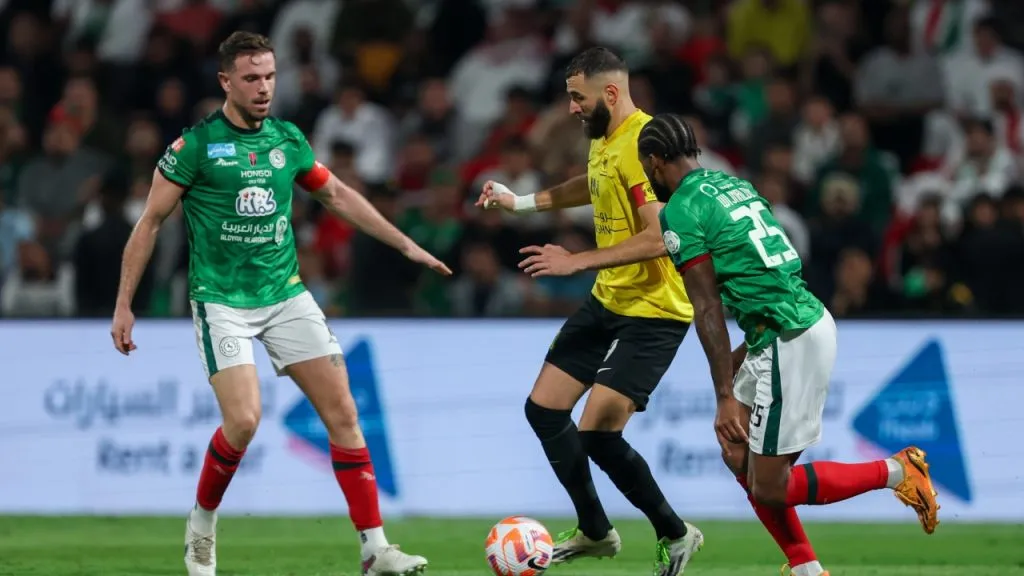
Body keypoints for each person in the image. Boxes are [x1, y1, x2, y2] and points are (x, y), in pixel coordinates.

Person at [523, 113, 941, 576]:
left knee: (771, 487)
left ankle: (899, 470)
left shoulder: (681, 210)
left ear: (656, 162)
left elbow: (706, 308)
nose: (646, 179)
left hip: (792, 338)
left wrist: (724, 393)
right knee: (736, 454)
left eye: (645, 169)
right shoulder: (730, 185)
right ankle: (806, 568)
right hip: (781, 327)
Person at [110, 31, 450, 576]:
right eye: (251, 77)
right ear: (226, 81)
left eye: (269, 75)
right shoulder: (194, 147)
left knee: (344, 413)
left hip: (286, 295)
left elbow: (336, 195)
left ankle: (375, 549)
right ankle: (201, 525)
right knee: (243, 421)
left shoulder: (288, 140)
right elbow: (149, 222)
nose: (264, 87)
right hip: (221, 300)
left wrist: (404, 242)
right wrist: (124, 304)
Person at [476, 47, 704, 576]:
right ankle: (596, 532)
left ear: (609, 93)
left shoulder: (646, 144)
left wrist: (575, 260)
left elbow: (659, 236)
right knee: (544, 410)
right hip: (609, 299)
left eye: (577, 98)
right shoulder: (605, 140)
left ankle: (676, 534)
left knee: (598, 433)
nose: (572, 109)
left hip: (653, 311)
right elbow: (593, 186)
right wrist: (522, 203)